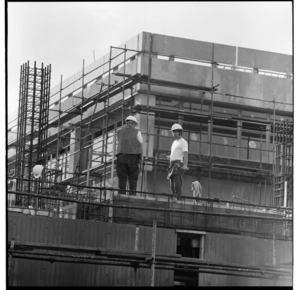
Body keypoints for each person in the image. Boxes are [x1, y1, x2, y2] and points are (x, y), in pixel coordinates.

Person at [160, 123, 189, 201]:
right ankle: (174, 200)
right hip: (172, 165)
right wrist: (166, 157)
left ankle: (179, 200)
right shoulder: (174, 143)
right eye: (173, 132)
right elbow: (173, 155)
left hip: (178, 165)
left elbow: (185, 154)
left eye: (176, 132)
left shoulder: (183, 142)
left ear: (180, 132)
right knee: (172, 186)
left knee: (177, 185)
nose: (174, 134)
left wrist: (185, 165)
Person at [116, 115, 143, 195]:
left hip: (121, 156)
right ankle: (132, 196)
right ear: (134, 123)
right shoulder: (137, 132)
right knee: (133, 178)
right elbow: (140, 144)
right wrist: (141, 158)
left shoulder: (119, 131)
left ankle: (121, 195)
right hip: (133, 157)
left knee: (122, 177)